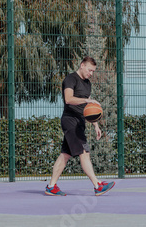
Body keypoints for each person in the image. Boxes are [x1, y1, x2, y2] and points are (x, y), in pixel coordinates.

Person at [45, 56, 115, 196]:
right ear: (82, 65)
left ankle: (51, 186)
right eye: (90, 70)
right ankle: (97, 185)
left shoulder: (87, 84)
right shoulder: (71, 79)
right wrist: (87, 100)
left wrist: (95, 125)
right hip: (70, 121)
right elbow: (69, 99)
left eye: (93, 71)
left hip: (80, 122)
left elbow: (87, 109)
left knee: (65, 155)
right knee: (84, 153)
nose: (91, 73)